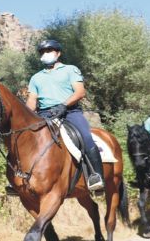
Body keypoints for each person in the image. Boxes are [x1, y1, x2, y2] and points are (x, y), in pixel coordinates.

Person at [26, 39, 105, 192]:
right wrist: (28, 116)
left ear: (58, 53)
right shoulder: (36, 78)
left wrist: (63, 105)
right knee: (25, 138)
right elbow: (31, 100)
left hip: (69, 112)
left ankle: (96, 176)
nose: (45, 54)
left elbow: (80, 92)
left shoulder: (70, 70)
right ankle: (20, 179)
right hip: (44, 114)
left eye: (49, 51)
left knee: (86, 137)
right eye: (43, 52)